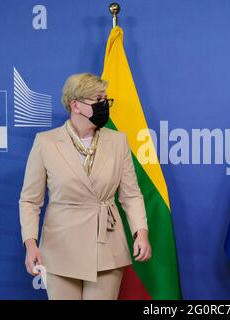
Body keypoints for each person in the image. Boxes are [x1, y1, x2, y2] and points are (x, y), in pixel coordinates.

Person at [19, 73, 151, 300]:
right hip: (60, 247)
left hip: (107, 245)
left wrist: (141, 233)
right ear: (76, 105)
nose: (104, 106)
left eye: (105, 100)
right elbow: (30, 200)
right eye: (98, 99)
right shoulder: (46, 142)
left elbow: (131, 195)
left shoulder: (118, 141)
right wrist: (30, 244)